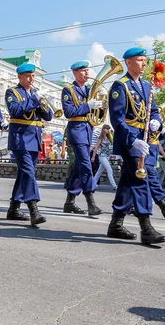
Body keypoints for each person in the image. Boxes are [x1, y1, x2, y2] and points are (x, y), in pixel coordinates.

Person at [106, 47, 165, 245]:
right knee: (140, 177)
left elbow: (153, 109)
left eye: (145, 60)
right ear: (128, 62)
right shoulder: (121, 86)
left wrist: (156, 122)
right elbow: (117, 120)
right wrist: (132, 140)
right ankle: (146, 228)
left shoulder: (146, 85)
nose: (144, 63)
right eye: (139, 60)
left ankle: (115, 225)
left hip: (144, 139)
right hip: (130, 141)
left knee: (128, 183)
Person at [5, 63, 53, 226]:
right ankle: (33, 209)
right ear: (19, 77)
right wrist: (34, 99)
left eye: (33, 75)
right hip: (20, 138)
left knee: (25, 173)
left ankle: (14, 208)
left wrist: (43, 101)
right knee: (28, 172)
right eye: (27, 76)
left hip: (34, 138)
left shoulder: (34, 93)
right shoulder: (12, 92)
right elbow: (15, 110)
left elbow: (48, 117)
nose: (31, 78)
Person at [61, 60, 105, 215]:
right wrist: (88, 106)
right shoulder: (68, 90)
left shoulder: (89, 90)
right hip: (76, 130)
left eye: (88, 70)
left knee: (78, 169)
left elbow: (96, 113)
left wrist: (100, 106)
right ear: (75, 73)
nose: (87, 73)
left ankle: (69, 202)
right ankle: (91, 202)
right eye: (83, 71)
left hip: (87, 130)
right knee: (86, 166)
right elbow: (69, 112)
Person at [91, 124, 118, 190]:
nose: (108, 130)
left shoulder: (109, 137)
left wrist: (113, 134)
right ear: (103, 129)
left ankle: (92, 185)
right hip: (102, 156)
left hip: (107, 156)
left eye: (108, 129)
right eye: (106, 129)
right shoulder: (100, 138)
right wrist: (93, 156)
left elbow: (114, 143)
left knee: (99, 172)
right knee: (109, 170)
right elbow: (96, 147)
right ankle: (114, 185)